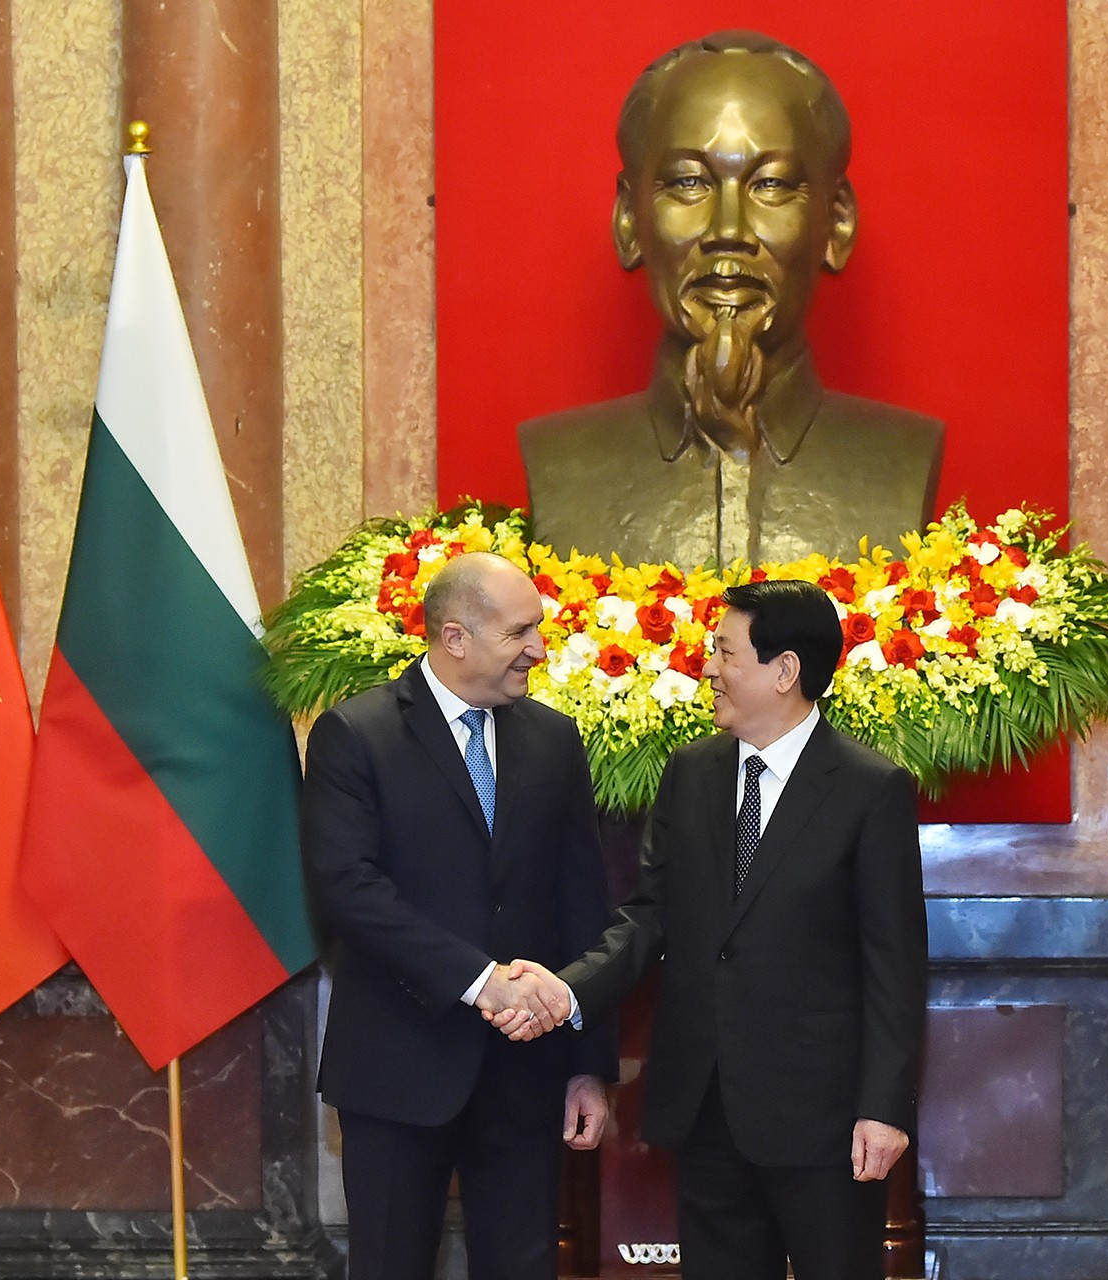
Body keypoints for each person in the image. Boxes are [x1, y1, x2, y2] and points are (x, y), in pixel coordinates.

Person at [494, 580, 927, 1280]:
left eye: (725, 651)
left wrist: (884, 1109)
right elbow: (649, 916)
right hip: (704, 1106)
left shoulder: (868, 788)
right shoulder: (691, 773)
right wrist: (569, 991)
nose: (708, 667)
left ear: (784, 670)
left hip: (824, 1120)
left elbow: (895, 966)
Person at [300, 551, 616, 1280]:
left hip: (526, 1072)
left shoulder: (552, 739)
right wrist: (482, 982)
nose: (539, 649)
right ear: (455, 638)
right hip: (397, 1065)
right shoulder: (358, 735)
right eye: (521, 633)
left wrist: (587, 1066)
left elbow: (581, 905)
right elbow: (348, 889)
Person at [518, 31, 944, 568]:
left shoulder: (902, 459)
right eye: (688, 183)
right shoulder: (560, 461)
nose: (727, 229)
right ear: (629, 221)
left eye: (770, 186)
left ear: (836, 223)